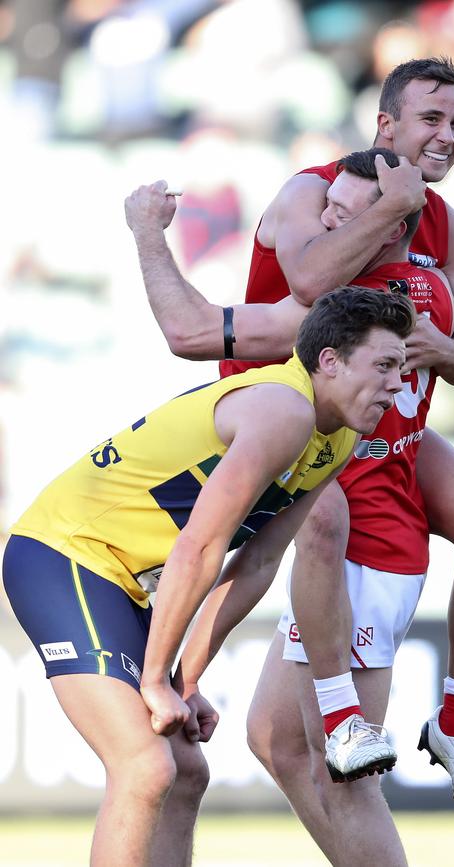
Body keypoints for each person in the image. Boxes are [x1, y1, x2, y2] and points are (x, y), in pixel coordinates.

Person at [129, 57, 454, 824]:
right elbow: (303, 286)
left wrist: (435, 346)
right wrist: (389, 206)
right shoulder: (317, 189)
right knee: (313, 523)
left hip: (372, 425)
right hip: (278, 413)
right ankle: (326, 712)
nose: (447, 136)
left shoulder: (447, 232)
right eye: (431, 120)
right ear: (385, 127)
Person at [2, 286, 415, 867]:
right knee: (145, 766)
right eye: (386, 365)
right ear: (329, 361)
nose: (399, 383)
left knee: (187, 771)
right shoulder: (284, 410)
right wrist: (155, 680)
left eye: (401, 367)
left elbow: (259, 561)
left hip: (126, 583)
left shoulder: (340, 436)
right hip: (66, 553)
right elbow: (201, 546)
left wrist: (186, 679)